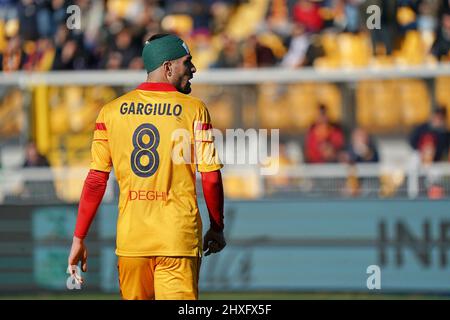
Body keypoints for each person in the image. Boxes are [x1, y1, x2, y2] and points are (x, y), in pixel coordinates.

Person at [67, 33, 226, 300]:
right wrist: (217, 227)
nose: (194, 69)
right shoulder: (194, 110)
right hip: (177, 240)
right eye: (187, 62)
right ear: (167, 67)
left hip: (132, 243)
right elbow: (210, 177)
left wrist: (78, 237)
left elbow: (96, 180)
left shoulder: (111, 111)